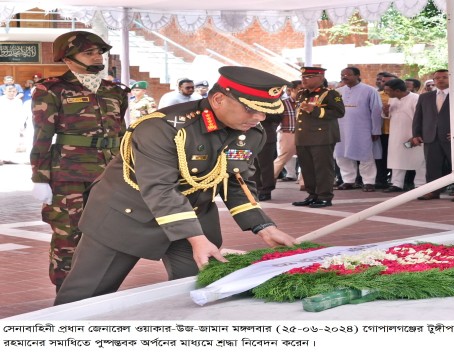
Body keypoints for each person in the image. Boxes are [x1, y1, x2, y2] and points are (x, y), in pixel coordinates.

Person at [54, 66, 298, 305]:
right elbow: (160, 188)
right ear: (218, 99)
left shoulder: (251, 133)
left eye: (265, 111)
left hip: (193, 217)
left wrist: (262, 225)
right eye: (250, 109)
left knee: (199, 293)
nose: (259, 118)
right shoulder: (161, 127)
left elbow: (236, 180)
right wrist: (195, 237)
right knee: (83, 298)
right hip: (127, 215)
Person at [30, 31, 129, 291]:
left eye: (99, 52)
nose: (98, 57)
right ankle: (65, 293)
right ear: (68, 58)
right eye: (89, 52)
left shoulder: (114, 90)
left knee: (106, 234)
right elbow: (42, 136)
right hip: (69, 175)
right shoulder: (51, 89)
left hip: (110, 174)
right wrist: (40, 177)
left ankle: (97, 289)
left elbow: (121, 133)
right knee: (68, 236)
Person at [411, 69, 454, 202]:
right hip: (431, 135)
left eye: (444, 77)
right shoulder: (425, 96)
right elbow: (418, 117)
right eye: (437, 78)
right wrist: (416, 134)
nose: (441, 80)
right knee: (432, 165)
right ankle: (433, 190)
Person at [292, 67, 345, 208]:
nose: (304, 79)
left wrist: (315, 110)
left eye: (308, 77)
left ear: (320, 78)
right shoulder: (301, 94)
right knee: (307, 169)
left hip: (322, 137)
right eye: (303, 77)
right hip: (303, 136)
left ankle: (324, 197)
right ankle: (312, 194)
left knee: (323, 169)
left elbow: (339, 112)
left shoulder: (330, 94)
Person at [334, 67, 383, 192]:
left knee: (365, 155)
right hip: (341, 129)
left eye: (348, 75)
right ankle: (348, 180)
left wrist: (375, 130)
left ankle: (368, 182)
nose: (344, 77)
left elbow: (376, 111)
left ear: (357, 76)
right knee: (341, 155)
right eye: (342, 74)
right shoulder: (337, 92)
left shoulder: (370, 91)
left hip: (363, 129)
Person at [382, 79, 425, 193]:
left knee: (418, 159)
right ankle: (396, 184)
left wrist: (416, 135)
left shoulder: (416, 98)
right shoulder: (392, 99)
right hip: (396, 134)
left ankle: (420, 184)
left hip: (413, 134)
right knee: (397, 158)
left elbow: (422, 118)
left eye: (388, 91)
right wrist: (386, 111)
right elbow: (389, 116)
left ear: (397, 90)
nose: (386, 93)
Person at [273, 80, 302, 182]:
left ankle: (304, 182)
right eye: (300, 89)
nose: (302, 91)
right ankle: (268, 179)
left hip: (305, 134)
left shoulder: (308, 103)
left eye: (304, 89)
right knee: (282, 158)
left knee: (307, 158)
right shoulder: (283, 103)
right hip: (287, 134)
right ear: (292, 89)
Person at [375, 71, 398, 189]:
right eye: (383, 81)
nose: (384, 84)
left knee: (397, 157)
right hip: (382, 131)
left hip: (398, 132)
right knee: (381, 157)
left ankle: (397, 182)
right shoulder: (377, 95)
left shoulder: (401, 96)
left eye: (388, 82)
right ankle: (381, 180)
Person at [0, 85, 25, 164]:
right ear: (4, 92)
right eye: (9, 91)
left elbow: (21, 114)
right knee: (2, 141)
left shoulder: (18, 101)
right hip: (3, 124)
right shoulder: (1, 100)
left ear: (17, 92)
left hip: (14, 124)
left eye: (14, 91)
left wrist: (21, 125)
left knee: (13, 141)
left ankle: (8, 158)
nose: (11, 93)